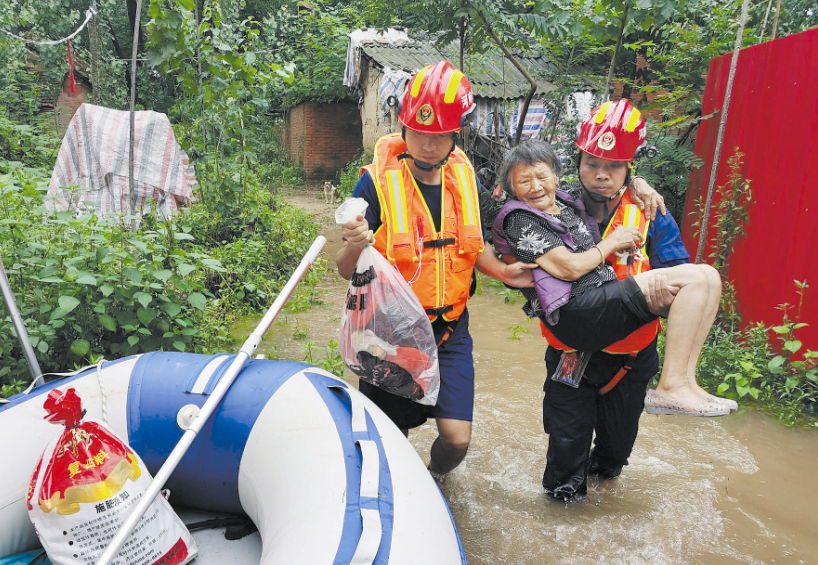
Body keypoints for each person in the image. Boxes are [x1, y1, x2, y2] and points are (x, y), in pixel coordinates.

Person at [490, 101, 737, 498]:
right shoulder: (552, 202)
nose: (602, 176)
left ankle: (669, 393)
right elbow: (513, 253)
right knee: (565, 467)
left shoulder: (650, 211)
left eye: (616, 166)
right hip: (573, 354)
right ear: (577, 164)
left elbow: (680, 278)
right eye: (592, 165)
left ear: (629, 168)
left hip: (631, 359)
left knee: (611, 462)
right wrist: (510, 274)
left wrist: (662, 291)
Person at [335, 60, 535, 484]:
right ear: (404, 128)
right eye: (419, 133)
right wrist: (355, 240)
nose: (428, 144)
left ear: (453, 135)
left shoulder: (465, 180)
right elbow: (343, 270)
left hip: (450, 329)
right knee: (390, 438)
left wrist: (505, 272)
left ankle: (433, 482)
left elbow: (466, 249)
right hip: (389, 334)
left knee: (457, 440)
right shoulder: (373, 184)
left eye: (439, 135)